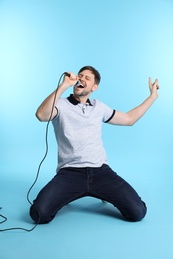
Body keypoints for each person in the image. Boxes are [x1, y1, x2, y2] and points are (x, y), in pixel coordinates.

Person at [30, 65, 159, 224]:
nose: (81, 79)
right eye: (80, 75)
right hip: (70, 173)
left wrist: (152, 96)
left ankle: (99, 192)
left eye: (87, 78)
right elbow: (41, 115)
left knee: (137, 212)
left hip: (101, 172)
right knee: (39, 214)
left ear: (94, 87)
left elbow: (129, 119)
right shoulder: (61, 104)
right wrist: (64, 85)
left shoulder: (99, 107)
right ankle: (73, 193)